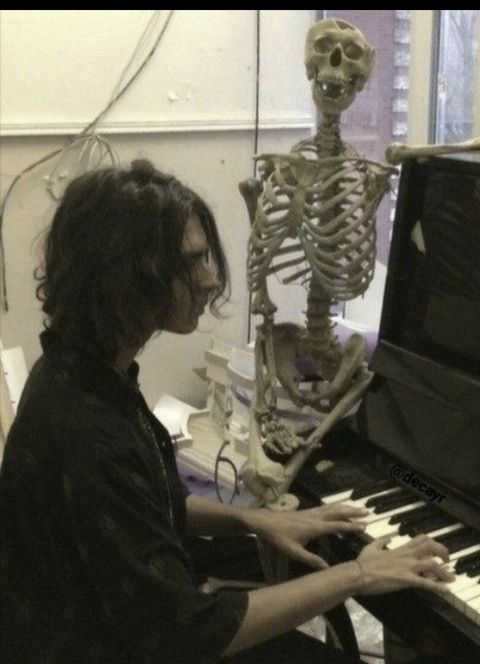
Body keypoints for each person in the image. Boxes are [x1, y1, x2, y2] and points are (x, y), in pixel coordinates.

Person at [0, 160, 453, 664]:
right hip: (119, 644)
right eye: (191, 262)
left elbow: (152, 501)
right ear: (127, 275)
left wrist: (254, 520)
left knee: (307, 558)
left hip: (121, 622)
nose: (211, 279)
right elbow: (188, 633)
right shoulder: (85, 431)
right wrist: (357, 576)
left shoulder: (85, 372)